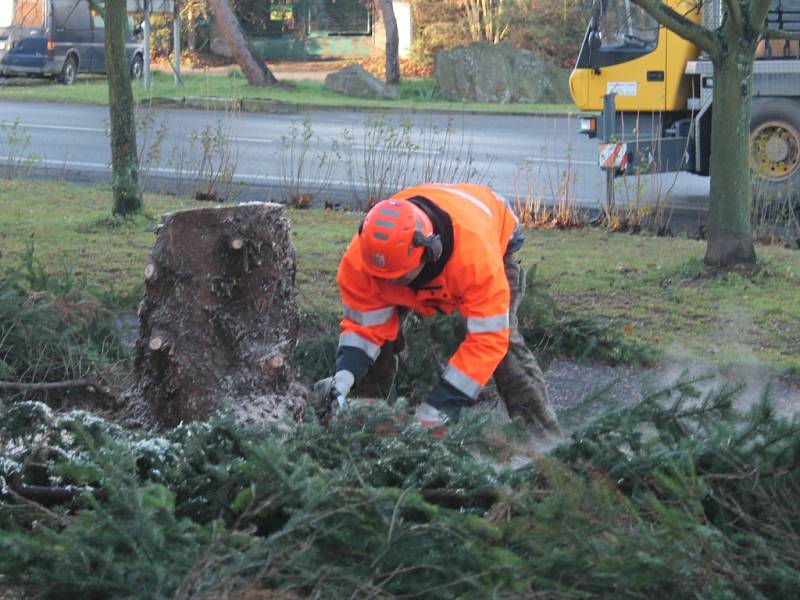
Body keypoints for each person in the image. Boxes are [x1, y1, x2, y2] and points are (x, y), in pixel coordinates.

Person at [314, 183, 560, 436]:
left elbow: (487, 341)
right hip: (439, 217)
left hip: (489, 228)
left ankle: (542, 439)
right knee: (379, 346)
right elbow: (365, 328)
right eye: (380, 278)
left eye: (397, 279)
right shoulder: (362, 260)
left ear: (428, 253)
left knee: (505, 346)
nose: (385, 285)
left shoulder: (475, 261)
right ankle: (363, 423)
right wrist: (345, 375)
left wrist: (440, 406)